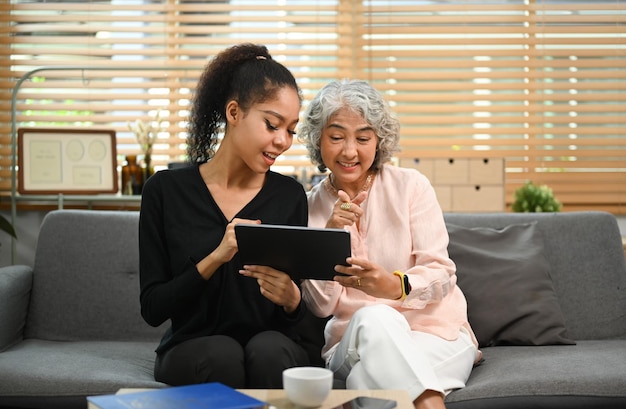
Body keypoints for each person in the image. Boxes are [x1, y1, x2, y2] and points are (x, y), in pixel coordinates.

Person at [139, 43, 317, 389]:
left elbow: (295, 313)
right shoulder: (165, 191)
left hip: (272, 344)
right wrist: (216, 257)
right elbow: (153, 308)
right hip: (193, 348)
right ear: (234, 112)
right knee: (222, 353)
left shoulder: (289, 196)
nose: (283, 141)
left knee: (268, 349)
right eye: (272, 124)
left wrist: (293, 300)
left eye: (291, 130)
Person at [298, 79, 482, 409]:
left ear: (379, 140)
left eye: (363, 138)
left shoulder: (411, 186)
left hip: (435, 335)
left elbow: (441, 272)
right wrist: (329, 236)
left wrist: (395, 285)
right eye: (336, 137)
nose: (350, 151)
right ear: (317, 139)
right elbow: (321, 306)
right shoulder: (308, 206)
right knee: (377, 318)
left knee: (364, 383)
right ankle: (428, 402)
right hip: (353, 343)